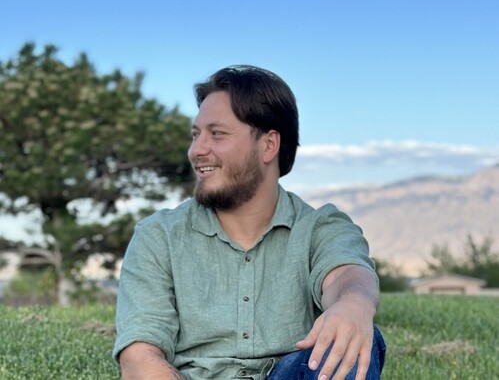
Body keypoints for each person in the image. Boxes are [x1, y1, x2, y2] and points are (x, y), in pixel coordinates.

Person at [113, 66, 386, 380]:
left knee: (349, 334)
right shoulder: (158, 236)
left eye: (217, 134)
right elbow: (140, 358)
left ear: (268, 145)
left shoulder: (320, 227)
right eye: (196, 135)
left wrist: (354, 304)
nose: (196, 150)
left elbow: (347, 273)